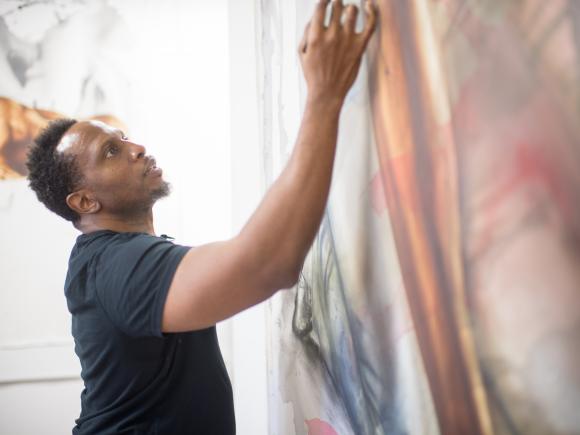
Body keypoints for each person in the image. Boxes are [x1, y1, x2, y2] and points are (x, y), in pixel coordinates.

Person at [26, 1, 377, 433]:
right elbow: (267, 265)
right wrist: (324, 96)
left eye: (122, 137)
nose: (136, 147)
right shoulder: (115, 266)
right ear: (84, 202)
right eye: (111, 152)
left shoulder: (117, 259)